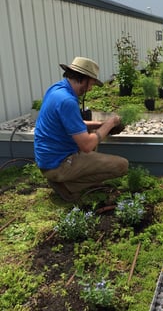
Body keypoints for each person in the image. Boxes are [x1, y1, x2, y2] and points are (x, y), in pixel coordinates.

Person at [34, 56, 129, 202]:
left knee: (92, 135)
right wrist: (109, 124)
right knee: (122, 165)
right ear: (83, 78)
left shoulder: (57, 89)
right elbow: (86, 145)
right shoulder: (67, 101)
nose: (90, 89)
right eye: (91, 84)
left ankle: (64, 178)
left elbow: (74, 124)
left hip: (48, 159)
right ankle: (67, 185)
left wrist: (99, 124)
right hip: (59, 163)